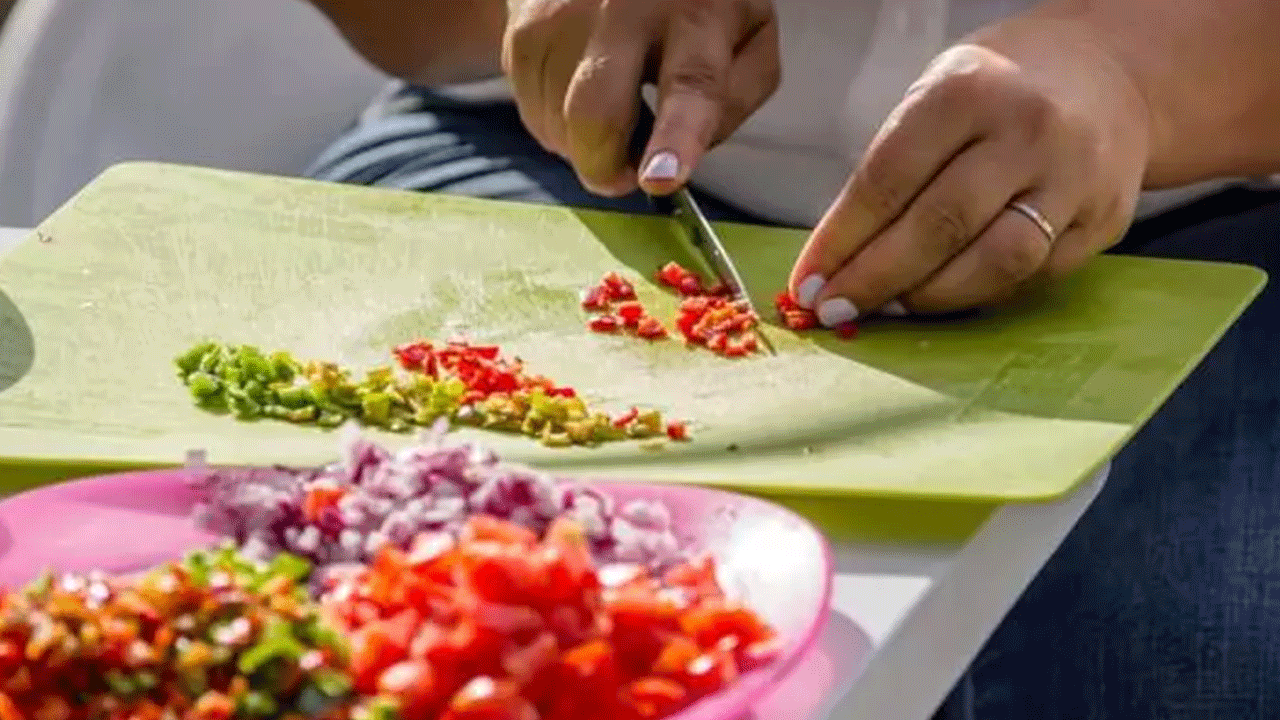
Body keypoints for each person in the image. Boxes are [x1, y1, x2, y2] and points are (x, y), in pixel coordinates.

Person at [302, 0, 1280, 716]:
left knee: (1174, 648)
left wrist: (1131, 75)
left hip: (1206, 207)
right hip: (541, 150)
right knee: (390, 570)